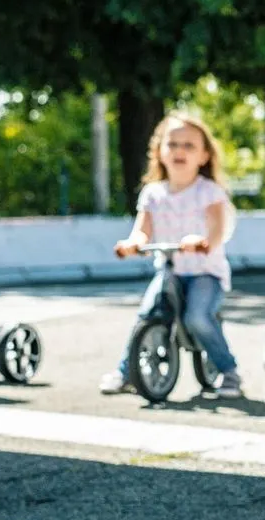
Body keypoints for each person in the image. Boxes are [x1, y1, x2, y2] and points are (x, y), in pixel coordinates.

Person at [100, 112, 243, 399]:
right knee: (146, 313)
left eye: (189, 146)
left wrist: (202, 241)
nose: (179, 151)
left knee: (197, 318)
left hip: (205, 272)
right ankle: (127, 372)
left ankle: (228, 371)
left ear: (203, 156)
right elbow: (142, 230)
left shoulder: (209, 192)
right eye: (173, 144)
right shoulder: (153, 194)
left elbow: (217, 230)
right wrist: (132, 244)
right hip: (170, 270)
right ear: (159, 152)